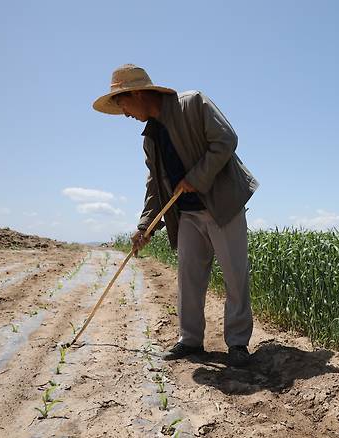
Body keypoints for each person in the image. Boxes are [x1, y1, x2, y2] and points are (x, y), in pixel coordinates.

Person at [93, 64, 259, 367]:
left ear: (139, 93)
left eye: (123, 103)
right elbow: (155, 185)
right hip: (188, 215)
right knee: (188, 277)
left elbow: (226, 140)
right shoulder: (150, 139)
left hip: (223, 205)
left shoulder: (193, 104)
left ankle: (237, 344)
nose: (124, 113)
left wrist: (196, 177)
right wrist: (145, 225)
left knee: (235, 277)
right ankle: (190, 340)